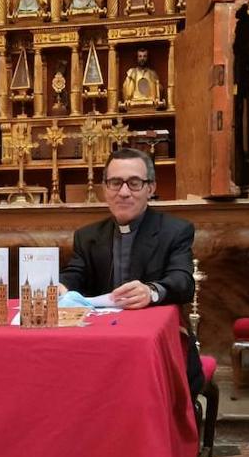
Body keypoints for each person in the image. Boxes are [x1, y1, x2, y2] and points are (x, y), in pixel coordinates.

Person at [60, 147, 203, 395]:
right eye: (115, 183)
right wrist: (60, 285)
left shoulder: (175, 231)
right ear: (105, 188)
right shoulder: (88, 236)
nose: (123, 192)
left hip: (156, 348)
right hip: (100, 346)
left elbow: (182, 281)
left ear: (151, 188)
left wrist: (152, 292)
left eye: (134, 183)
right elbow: (75, 273)